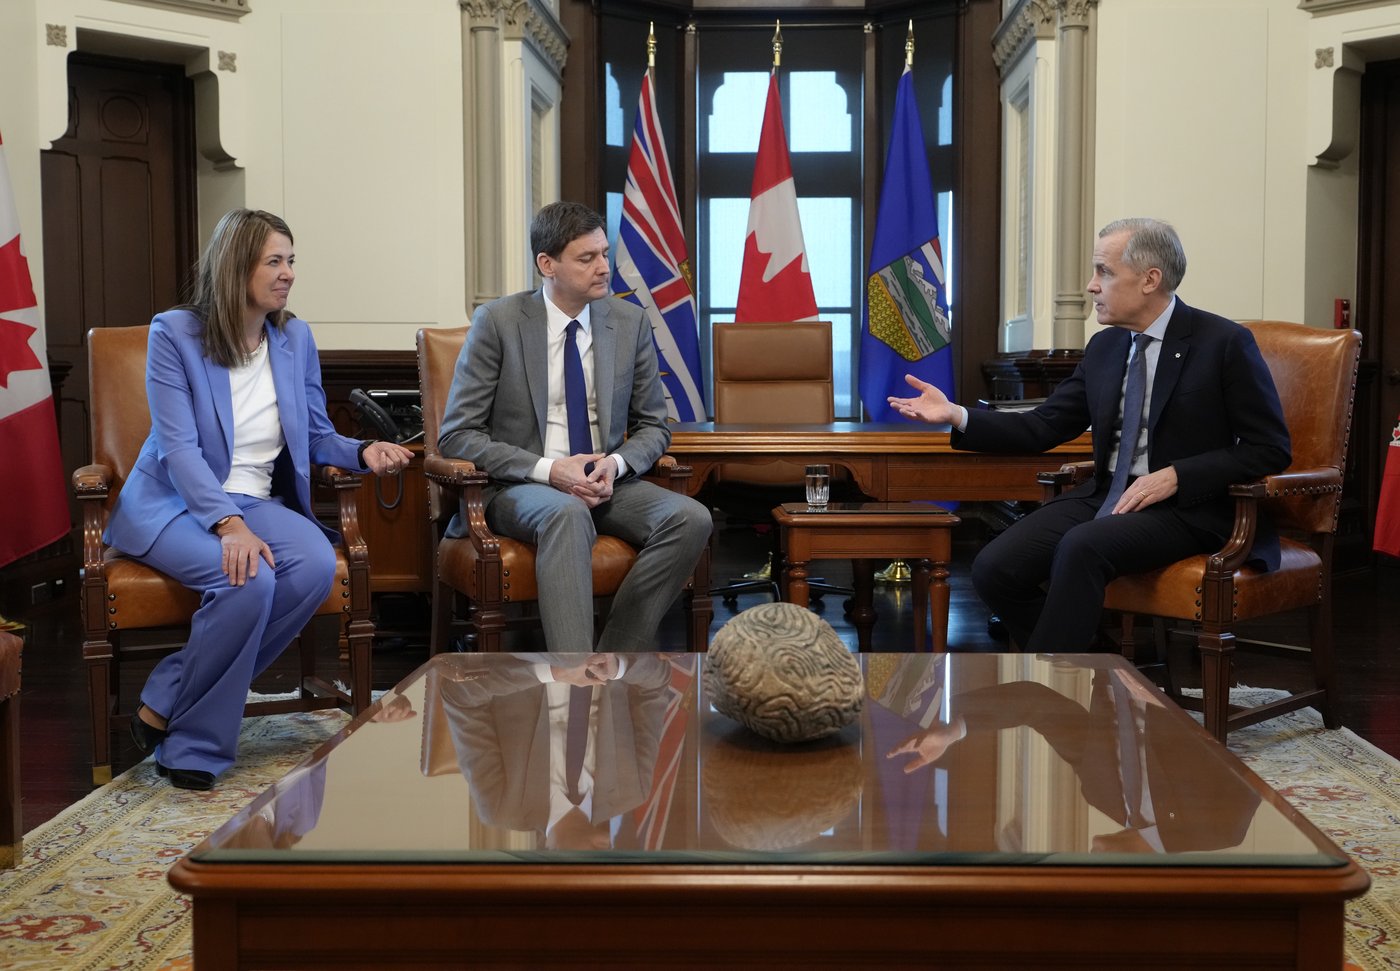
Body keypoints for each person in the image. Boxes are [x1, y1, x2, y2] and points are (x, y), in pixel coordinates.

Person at [106, 208, 414, 791]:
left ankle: (168, 693)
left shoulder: (293, 338)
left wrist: (364, 449)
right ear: (235, 267)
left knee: (316, 566)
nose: (288, 273)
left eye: (291, 260)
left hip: (255, 497)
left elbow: (317, 432)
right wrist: (227, 524)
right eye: (274, 261)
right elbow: (179, 449)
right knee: (246, 578)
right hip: (174, 500)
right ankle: (195, 747)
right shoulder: (174, 333)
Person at [889, 218, 1291, 652]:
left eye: (1104, 271)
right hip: (1107, 493)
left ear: (1149, 280)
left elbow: (1269, 448)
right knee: (994, 567)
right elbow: (1044, 426)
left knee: (1082, 547)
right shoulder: (1107, 347)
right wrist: (957, 414)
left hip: (1187, 507)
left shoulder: (1223, 343)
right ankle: (1091, 669)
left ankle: (1052, 696)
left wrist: (1178, 475)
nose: (1091, 285)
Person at [438, 201, 711, 653]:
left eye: (604, 253)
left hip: (606, 483)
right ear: (547, 264)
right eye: (588, 258)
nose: (604, 267)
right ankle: (573, 683)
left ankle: (611, 661)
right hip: (519, 485)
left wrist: (616, 466)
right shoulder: (499, 323)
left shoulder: (629, 323)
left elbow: (653, 426)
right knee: (565, 513)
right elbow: (459, 433)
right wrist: (551, 471)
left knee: (690, 517)